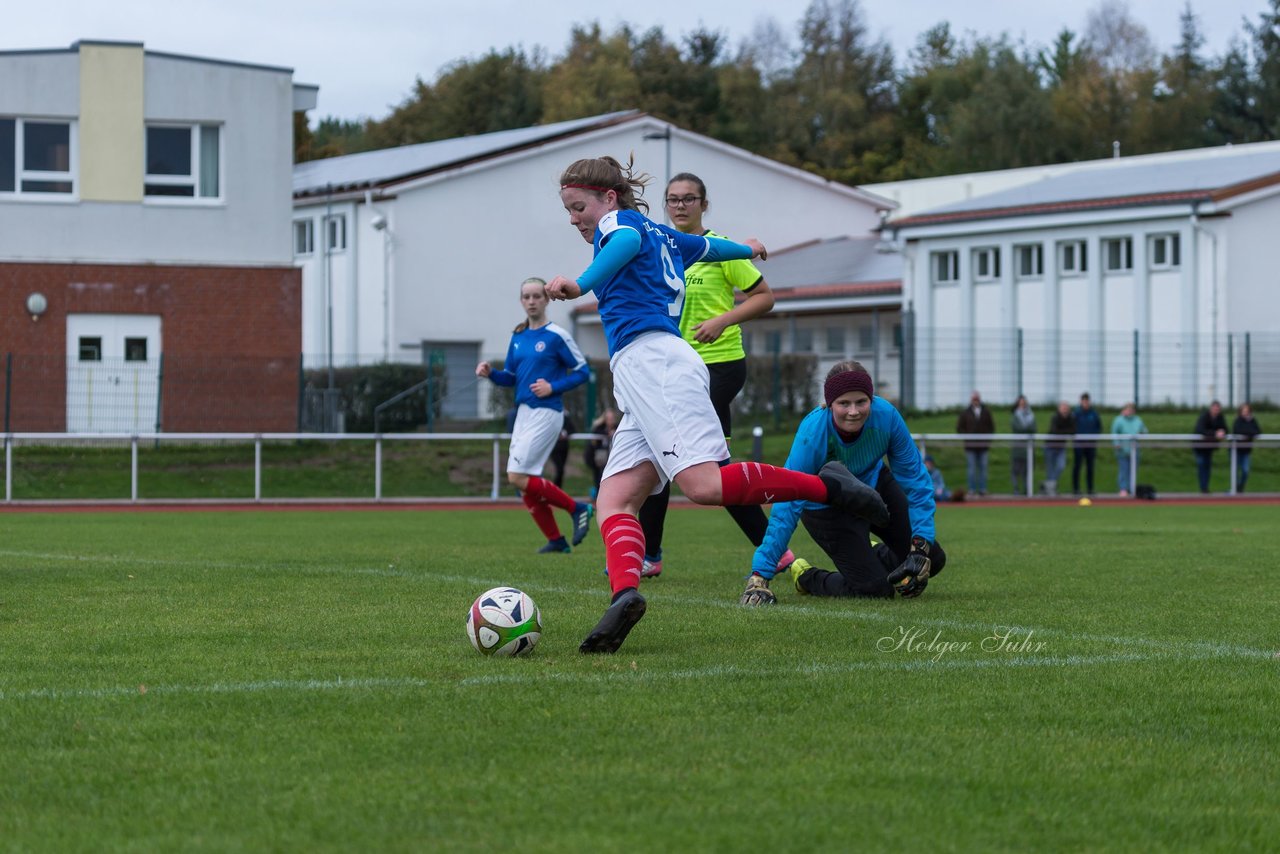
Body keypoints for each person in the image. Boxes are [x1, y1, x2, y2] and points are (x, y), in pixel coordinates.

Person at [546, 155, 887, 654]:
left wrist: (579, 284)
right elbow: (709, 248)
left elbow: (619, 243)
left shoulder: (619, 225)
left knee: (703, 486)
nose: (574, 219)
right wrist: (746, 247)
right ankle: (624, 595)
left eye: (578, 208)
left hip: (657, 364)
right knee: (614, 500)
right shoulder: (664, 235)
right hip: (644, 374)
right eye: (570, 212)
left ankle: (827, 486)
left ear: (608, 197)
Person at [635, 172, 791, 579]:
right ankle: (650, 555)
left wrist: (722, 320)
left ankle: (777, 550)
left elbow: (765, 298)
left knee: (707, 466)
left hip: (719, 367)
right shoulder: (658, 249)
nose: (681, 205)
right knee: (659, 456)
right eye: (673, 199)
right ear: (665, 205)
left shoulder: (720, 249)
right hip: (673, 369)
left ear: (705, 204)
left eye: (689, 198)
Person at [745, 361, 947, 600]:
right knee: (875, 590)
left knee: (932, 559)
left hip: (874, 487)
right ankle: (807, 577)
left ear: (871, 399)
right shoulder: (813, 433)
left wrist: (920, 547)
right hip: (825, 506)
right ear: (830, 404)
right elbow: (789, 502)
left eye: (861, 401)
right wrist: (760, 574)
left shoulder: (887, 417)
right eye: (844, 403)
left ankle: (873, 553)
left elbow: (916, 481)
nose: (854, 411)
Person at [477, 277, 594, 554]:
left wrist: (553, 386)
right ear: (521, 301)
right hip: (523, 414)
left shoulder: (557, 335)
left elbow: (583, 372)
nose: (531, 301)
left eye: (537, 296)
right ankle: (556, 540)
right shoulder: (518, 337)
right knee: (525, 481)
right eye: (526, 297)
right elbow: (511, 378)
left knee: (516, 476)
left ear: (547, 299)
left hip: (547, 413)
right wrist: (490, 374)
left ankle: (578, 508)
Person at [955, 390, 995, 496]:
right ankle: (972, 489)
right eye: (974, 399)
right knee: (971, 469)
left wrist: (987, 440)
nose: (976, 401)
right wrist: (967, 437)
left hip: (983, 446)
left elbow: (991, 427)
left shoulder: (986, 412)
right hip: (970, 447)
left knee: (983, 469)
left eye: (977, 399)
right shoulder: (965, 413)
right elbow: (959, 428)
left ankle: (983, 489)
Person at [1110, 402, 1148, 497]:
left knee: (1133, 470)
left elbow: (1144, 431)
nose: (1129, 411)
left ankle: (1132, 488)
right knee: (1124, 470)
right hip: (1122, 450)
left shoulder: (1138, 420)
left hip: (1135, 449)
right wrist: (1116, 443)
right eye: (1127, 409)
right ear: (1123, 410)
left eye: (1131, 410)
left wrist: (1141, 434)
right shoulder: (1118, 420)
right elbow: (1114, 433)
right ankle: (1123, 489)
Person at [584, 407, 621, 498]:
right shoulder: (599, 428)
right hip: (599, 457)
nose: (611, 421)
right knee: (599, 476)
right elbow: (594, 443)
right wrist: (606, 434)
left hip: (613, 457)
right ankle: (598, 496)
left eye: (612, 418)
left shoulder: (618, 427)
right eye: (609, 419)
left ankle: (612, 496)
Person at [1192, 400, 1228, 494]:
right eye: (1215, 408)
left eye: (1218, 408)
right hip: (1199, 446)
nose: (1216, 410)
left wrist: (1222, 431)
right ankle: (1203, 487)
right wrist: (1215, 433)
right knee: (1201, 464)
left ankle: (1205, 487)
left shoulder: (1220, 418)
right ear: (1211, 408)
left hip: (1209, 447)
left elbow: (1225, 428)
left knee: (1207, 466)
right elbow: (1200, 429)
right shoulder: (1204, 416)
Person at [1071, 392, 1102, 496]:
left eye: (1087, 401)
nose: (1085, 403)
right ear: (1081, 402)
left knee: (1090, 467)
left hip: (1090, 444)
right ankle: (1076, 489)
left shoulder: (1094, 414)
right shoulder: (1076, 413)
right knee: (1077, 466)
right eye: (1084, 401)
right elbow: (1072, 427)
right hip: (1079, 444)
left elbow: (1098, 427)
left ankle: (1090, 489)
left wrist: (1094, 437)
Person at [1043, 401, 1075, 496]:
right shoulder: (1055, 417)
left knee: (1061, 466)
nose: (1065, 410)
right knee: (1050, 469)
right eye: (1063, 408)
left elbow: (1073, 431)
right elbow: (1055, 431)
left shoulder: (1071, 418)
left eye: (1066, 408)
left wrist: (1063, 432)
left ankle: (1048, 485)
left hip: (1061, 447)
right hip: (1050, 447)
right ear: (1059, 409)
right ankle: (1050, 490)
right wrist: (1066, 432)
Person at [1231, 403, 1261, 493]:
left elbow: (1258, 431)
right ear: (1240, 412)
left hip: (1246, 451)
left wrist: (1248, 432)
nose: (1245, 413)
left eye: (1247, 411)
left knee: (1245, 471)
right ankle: (1235, 488)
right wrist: (1250, 433)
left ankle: (1240, 487)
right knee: (1235, 471)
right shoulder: (1238, 420)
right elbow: (1238, 430)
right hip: (1236, 450)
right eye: (1243, 411)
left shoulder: (1252, 421)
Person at [1009, 395, 1036, 495]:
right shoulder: (1014, 416)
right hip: (1018, 447)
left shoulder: (1031, 415)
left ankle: (1027, 490)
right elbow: (1017, 429)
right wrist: (1027, 429)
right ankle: (1016, 489)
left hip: (1029, 448)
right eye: (1020, 403)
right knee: (1015, 470)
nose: (1022, 405)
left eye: (1024, 403)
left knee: (1027, 471)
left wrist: (1026, 429)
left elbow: (1034, 429)